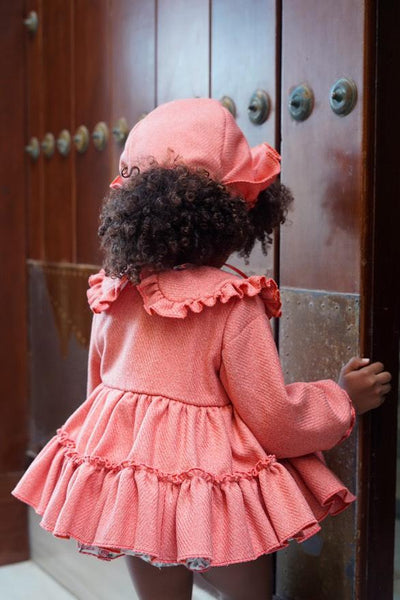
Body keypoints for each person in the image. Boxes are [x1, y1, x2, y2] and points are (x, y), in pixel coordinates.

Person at [12, 98, 391, 600]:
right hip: (209, 492)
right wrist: (341, 398)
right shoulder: (231, 302)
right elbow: (273, 417)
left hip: (136, 487)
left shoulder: (115, 291)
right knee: (248, 592)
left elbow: (98, 392)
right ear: (232, 217)